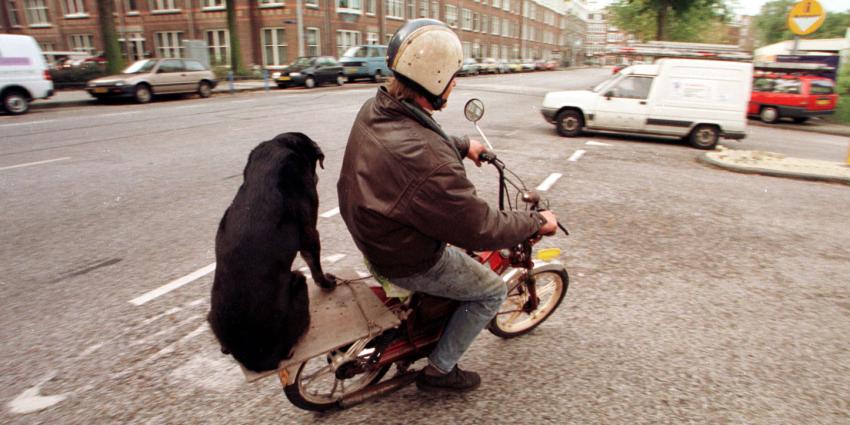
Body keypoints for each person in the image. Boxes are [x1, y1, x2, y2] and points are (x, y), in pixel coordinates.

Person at [337, 19, 558, 392]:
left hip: (371, 229)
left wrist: (461, 144)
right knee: (491, 291)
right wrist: (534, 221)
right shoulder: (430, 162)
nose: (455, 84)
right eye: (453, 77)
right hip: (405, 256)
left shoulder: (377, 108)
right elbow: (479, 226)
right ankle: (439, 369)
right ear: (435, 79)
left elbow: (417, 141)